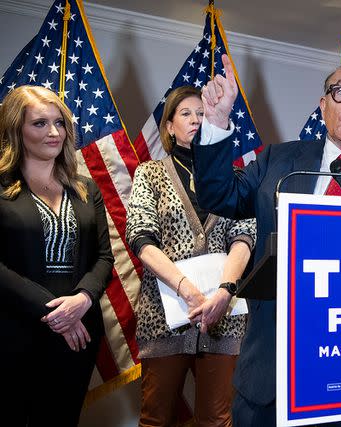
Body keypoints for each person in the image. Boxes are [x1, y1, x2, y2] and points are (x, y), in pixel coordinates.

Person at [191, 54, 341, 426]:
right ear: (323, 104)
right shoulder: (277, 158)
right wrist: (215, 122)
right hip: (272, 380)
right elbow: (218, 197)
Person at [125, 85, 256, 427]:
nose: (196, 119)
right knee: (157, 418)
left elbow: (244, 236)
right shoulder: (150, 173)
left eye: (202, 113)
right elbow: (140, 237)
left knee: (216, 419)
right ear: (168, 126)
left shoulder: (237, 178)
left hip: (223, 312)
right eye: (186, 113)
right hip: (165, 313)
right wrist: (187, 289)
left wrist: (224, 290)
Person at [0, 85, 113, 425]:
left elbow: (104, 258)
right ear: (15, 129)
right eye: (39, 123)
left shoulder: (85, 188)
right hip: (13, 333)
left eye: (59, 123)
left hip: (77, 335)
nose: (53, 132)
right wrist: (55, 314)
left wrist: (81, 300)